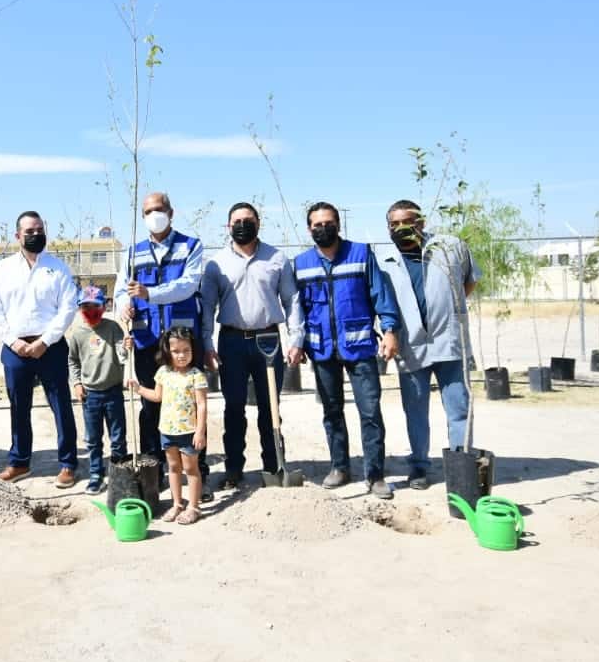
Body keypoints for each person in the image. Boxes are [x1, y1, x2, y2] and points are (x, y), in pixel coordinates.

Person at [287, 202, 402, 499]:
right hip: (321, 349)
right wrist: (297, 343)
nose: (322, 228)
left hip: (360, 347)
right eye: (316, 224)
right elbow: (296, 309)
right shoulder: (301, 263)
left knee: (370, 412)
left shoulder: (361, 254)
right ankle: (339, 467)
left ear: (338, 224)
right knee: (332, 412)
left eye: (328, 223)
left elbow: (380, 294)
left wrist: (389, 330)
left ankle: (375, 475)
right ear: (309, 228)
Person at [374, 200, 481, 489]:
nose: (400, 228)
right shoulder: (383, 260)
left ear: (421, 221)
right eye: (393, 224)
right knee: (416, 411)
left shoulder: (450, 248)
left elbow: (469, 282)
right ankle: (419, 467)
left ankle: (461, 465)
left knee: (459, 408)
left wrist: (448, 311)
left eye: (407, 221)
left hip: (450, 343)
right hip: (412, 346)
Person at [113, 191, 211, 502]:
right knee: (150, 406)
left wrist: (149, 293)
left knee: (188, 405)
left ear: (171, 211)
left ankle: (197, 471)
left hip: (180, 341)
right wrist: (123, 306)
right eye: (148, 211)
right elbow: (119, 290)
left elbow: (188, 284)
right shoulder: (132, 251)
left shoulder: (191, 246)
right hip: (145, 340)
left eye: (159, 209)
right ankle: (156, 469)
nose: (154, 214)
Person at [200, 202, 299, 490]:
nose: (242, 224)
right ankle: (233, 468)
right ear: (228, 227)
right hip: (231, 342)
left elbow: (291, 300)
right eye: (237, 221)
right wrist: (206, 343)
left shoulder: (277, 259)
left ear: (258, 222)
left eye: (248, 220)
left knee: (270, 408)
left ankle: (274, 465)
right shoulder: (216, 264)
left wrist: (296, 338)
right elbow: (207, 306)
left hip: (268, 340)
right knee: (234, 408)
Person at [0, 211, 79, 486]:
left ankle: (68, 464)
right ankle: (19, 462)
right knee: (18, 407)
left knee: (61, 406)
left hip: (50, 347)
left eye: (40, 229)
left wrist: (44, 341)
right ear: (18, 236)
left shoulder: (57, 267)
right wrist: (14, 342)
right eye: (30, 231)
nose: (36, 234)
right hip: (15, 350)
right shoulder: (2, 269)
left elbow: (68, 307)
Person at [130, 327, 207, 524]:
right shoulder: (162, 372)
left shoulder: (196, 375)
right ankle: (177, 504)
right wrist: (138, 389)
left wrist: (200, 432)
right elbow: (157, 396)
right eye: (176, 351)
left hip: (189, 432)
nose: (181, 355)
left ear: (193, 350)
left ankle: (194, 507)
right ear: (167, 351)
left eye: (186, 350)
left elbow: (202, 405)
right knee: (173, 467)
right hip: (167, 431)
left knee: (191, 469)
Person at [67, 285, 127, 495]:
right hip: (90, 395)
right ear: (80, 308)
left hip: (113, 391)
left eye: (96, 306)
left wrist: (126, 346)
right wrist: (76, 384)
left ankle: (121, 474)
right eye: (86, 306)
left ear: (104, 306)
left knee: (118, 438)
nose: (91, 310)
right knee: (93, 439)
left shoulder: (113, 328)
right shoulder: (77, 334)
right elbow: (73, 361)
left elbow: (123, 354)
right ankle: (96, 474)